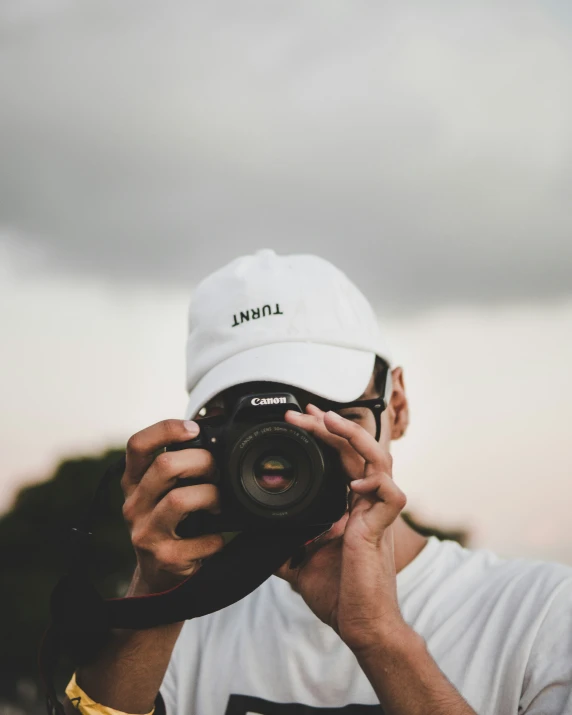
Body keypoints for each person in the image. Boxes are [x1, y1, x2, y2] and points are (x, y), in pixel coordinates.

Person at [64, 250, 572, 715]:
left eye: (330, 417)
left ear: (396, 406)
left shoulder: (542, 616)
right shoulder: (181, 616)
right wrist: (157, 596)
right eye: (255, 431)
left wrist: (380, 636)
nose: (288, 457)